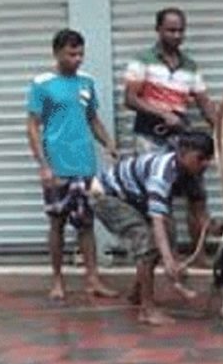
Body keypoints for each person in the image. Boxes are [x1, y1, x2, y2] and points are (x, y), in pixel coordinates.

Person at [26, 29, 120, 301]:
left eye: (80, 54)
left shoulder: (87, 83)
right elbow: (32, 125)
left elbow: (92, 119)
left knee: (86, 223)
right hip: (57, 163)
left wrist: (108, 143)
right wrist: (43, 165)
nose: (77, 59)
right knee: (57, 222)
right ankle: (57, 279)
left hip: (85, 164)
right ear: (57, 53)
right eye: (71, 54)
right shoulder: (43, 84)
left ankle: (93, 278)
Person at [123, 7, 221, 256]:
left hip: (181, 140)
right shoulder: (142, 60)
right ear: (158, 30)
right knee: (159, 200)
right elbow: (130, 99)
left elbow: (205, 104)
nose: (176, 35)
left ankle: (199, 257)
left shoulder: (190, 66)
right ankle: (170, 258)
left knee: (196, 196)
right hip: (149, 137)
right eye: (171, 30)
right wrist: (162, 114)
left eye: (180, 31)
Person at [90, 130, 214, 326]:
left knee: (165, 235)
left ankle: (137, 293)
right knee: (148, 244)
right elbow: (157, 220)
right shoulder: (162, 173)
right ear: (182, 153)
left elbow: (201, 213)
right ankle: (147, 310)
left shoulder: (194, 174)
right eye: (200, 158)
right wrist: (168, 259)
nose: (205, 164)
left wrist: (214, 228)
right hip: (108, 197)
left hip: (135, 200)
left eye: (208, 159)